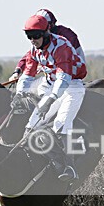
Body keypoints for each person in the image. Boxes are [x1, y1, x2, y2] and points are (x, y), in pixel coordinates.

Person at [21, 13, 88, 183]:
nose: (32, 40)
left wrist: (50, 100)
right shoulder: (34, 50)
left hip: (72, 87)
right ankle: (55, 162)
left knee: (61, 125)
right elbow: (28, 74)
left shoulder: (61, 46)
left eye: (36, 36)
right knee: (31, 126)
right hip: (53, 87)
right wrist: (19, 94)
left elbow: (64, 78)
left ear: (45, 33)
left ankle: (70, 168)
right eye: (29, 36)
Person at [8, 8, 85, 93]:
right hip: (53, 73)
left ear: (49, 25)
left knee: (35, 89)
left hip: (71, 73)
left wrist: (48, 65)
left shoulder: (64, 36)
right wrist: (18, 70)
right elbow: (30, 55)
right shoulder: (41, 40)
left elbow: (67, 58)